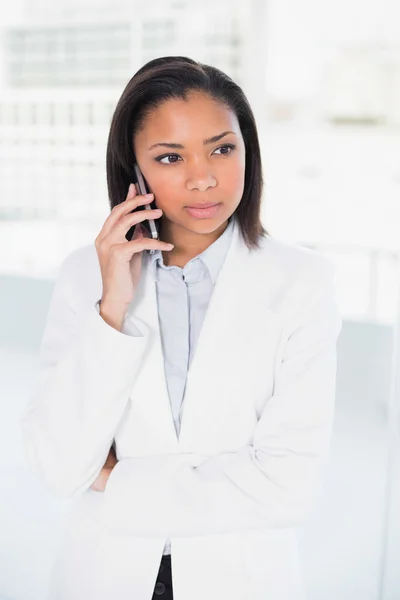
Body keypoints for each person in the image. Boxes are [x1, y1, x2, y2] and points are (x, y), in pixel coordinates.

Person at [20, 56, 342, 600]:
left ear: (249, 150)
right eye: (170, 157)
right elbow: (57, 468)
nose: (203, 177)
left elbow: (289, 487)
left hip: (240, 580)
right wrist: (112, 309)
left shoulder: (303, 281)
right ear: (136, 168)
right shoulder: (87, 277)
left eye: (222, 148)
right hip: (101, 578)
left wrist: (117, 479)